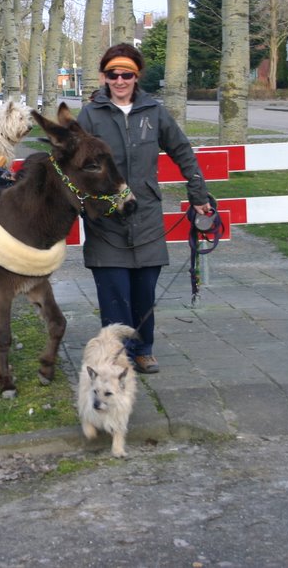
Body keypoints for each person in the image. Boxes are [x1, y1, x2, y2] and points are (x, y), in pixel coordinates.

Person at [76, 43, 212, 374]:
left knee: (143, 290)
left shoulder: (154, 111)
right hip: (106, 219)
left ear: (137, 77)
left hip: (147, 215)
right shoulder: (90, 115)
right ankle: (115, 353)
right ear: (104, 77)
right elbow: (73, 164)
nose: (120, 80)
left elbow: (182, 150)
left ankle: (143, 349)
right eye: (113, 75)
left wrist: (198, 193)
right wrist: (86, 202)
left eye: (127, 74)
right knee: (114, 292)